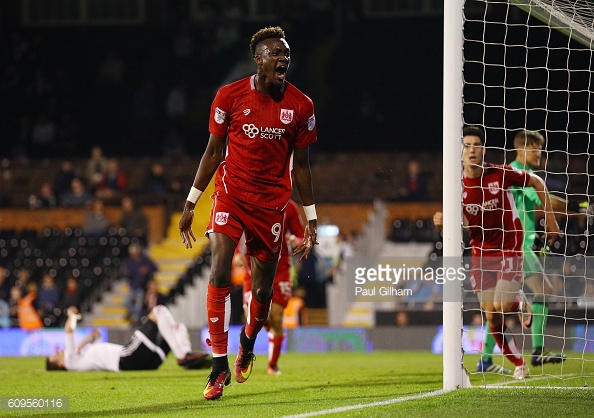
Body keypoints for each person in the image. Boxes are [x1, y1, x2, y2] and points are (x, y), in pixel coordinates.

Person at [178, 26, 318, 400]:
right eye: (275, 53)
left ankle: (247, 342)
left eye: (286, 53)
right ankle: (218, 365)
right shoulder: (229, 96)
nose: (283, 58)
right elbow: (212, 153)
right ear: (258, 59)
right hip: (230, 195)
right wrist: (191, 202)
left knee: (261, 289)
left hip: (271, 205)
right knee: (219, 267)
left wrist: (311, 217)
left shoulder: (301, 106)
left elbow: (302, 167)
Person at [433, 125, 560, 379]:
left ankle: (521, 303)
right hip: (481, 253)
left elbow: (536, 181)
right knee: (491, 315)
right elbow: (460, 226)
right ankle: (519, 363)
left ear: (483, 150)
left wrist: (551, 218)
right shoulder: (455, 187)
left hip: (509, 247)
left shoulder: (499, 173)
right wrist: (442, 224)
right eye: (467, 145)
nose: (471, 150)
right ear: (459, 151)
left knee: (502, 305)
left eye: (476, 145)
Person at [477, 129, 567, 373]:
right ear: (521, 148)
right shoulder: (518, 174)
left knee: (495, 309)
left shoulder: (513, 172)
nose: (539, 153)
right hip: (516, 247)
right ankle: (537, 351)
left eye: (541, 148)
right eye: (535, 148)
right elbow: (545, 199)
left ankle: (485, 359)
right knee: (544, 290)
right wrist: (576, 205)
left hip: (515, 246)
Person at [242, 198, 305, 375]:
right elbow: (235, 232)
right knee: (251, 316)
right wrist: (234, 255)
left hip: (280, 267)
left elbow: (300, 235)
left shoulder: (289, 207)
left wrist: (295, 240)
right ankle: (245, 356)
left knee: (276, 316)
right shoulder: (248, 200)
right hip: (252, 265)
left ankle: (272, 364)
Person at [46, 305, 212, 371]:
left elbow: (89, 349)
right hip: (128, 357)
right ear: (60, 364)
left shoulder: (77, 358)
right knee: (159, 311)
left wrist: (90, 338)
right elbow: (69, 330)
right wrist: (71, 315)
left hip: (146, 362)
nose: (59, 351)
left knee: (178, 328)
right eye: (55, 355)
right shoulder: (69, 361)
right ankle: (183, 355)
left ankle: (186, 357)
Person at [121, 243, 158, 324]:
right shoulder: (129, 262)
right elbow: (125, 274)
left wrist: (147, 269)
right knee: (126, 303)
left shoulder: (145, 260)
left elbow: (155, 268)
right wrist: (127, 274)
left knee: (138, 306)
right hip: (133, 286)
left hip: (142, 287)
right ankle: (137, 316)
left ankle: (138, 318)